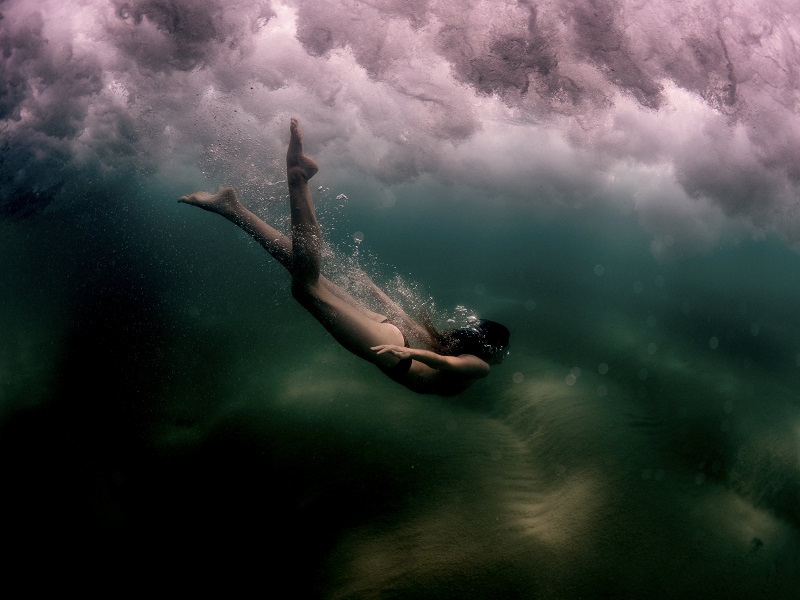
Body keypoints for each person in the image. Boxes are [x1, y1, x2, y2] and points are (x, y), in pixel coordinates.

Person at [179, 118, 509, 396]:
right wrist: (410, 352)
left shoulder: (449, 344)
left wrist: (377, 294)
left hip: (390, 336)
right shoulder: (478, 366)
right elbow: (448, 365)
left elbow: (406, 322)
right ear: (493, 349)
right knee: (305, 289)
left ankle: (232, 209)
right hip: (394, 352)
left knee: (306, 275)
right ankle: (298, 178)